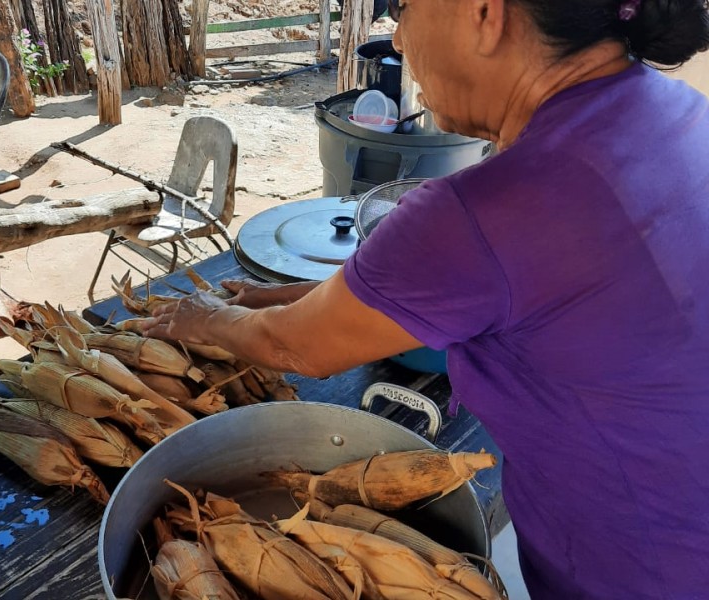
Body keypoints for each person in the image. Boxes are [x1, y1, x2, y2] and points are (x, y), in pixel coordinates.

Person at [142, 0, 709, 596]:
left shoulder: (488, 207)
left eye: (402, 9)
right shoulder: (676, 109)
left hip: (637, 567)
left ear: (483, 12)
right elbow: (510, 286)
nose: (398, 41)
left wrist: (203, 317)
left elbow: (295, 347)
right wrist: (287, 296)